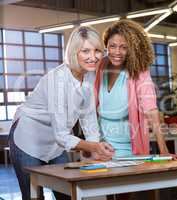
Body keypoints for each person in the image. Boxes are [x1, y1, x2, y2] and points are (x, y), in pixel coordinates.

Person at [9, 26, 114, 200]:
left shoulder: (88, 76)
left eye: (97, 51)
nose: (93, 57)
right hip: (28, 139)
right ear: (74, 53)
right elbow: (62, 135)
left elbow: (88, 118)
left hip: (56, 144)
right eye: (85, 51)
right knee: (34, 196)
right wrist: (93, 147)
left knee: (67, 193)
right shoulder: (57, 80)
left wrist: (96, 151)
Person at [94, 19, 177, 159]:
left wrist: (164, 151)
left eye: (124, 47)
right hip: (99, 148)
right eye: (112, 46)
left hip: (128, 150)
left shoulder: (139, 70)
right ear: (106, 45)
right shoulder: (101, 64)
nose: (117, 52)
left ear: (132, 49)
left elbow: (151, 111)